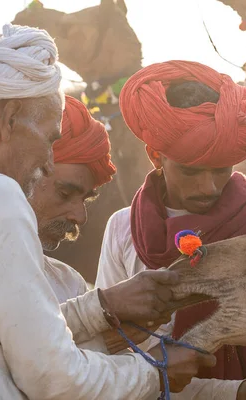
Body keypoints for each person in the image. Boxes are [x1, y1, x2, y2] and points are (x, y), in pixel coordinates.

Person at [0, 26, 214, 400]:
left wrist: (101, 308)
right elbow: (53, 378)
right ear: (11, 119)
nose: (49, 163)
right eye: (50, 139)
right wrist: (156, 372)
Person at [96, 60, 246, 400]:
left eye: (220, 170)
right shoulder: (122, 229)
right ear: (156, 155)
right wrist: (234, 393)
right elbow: (107, 346)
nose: (208, 187)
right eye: (190, 172)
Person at [32, 95, 174, 351]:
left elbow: (85, 374)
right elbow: (12, 346)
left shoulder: (69, 284)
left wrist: (236, 392)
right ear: (24, 173)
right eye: (65, 194)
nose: (80, 217)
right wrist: (102, 305)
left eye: (85, 200)